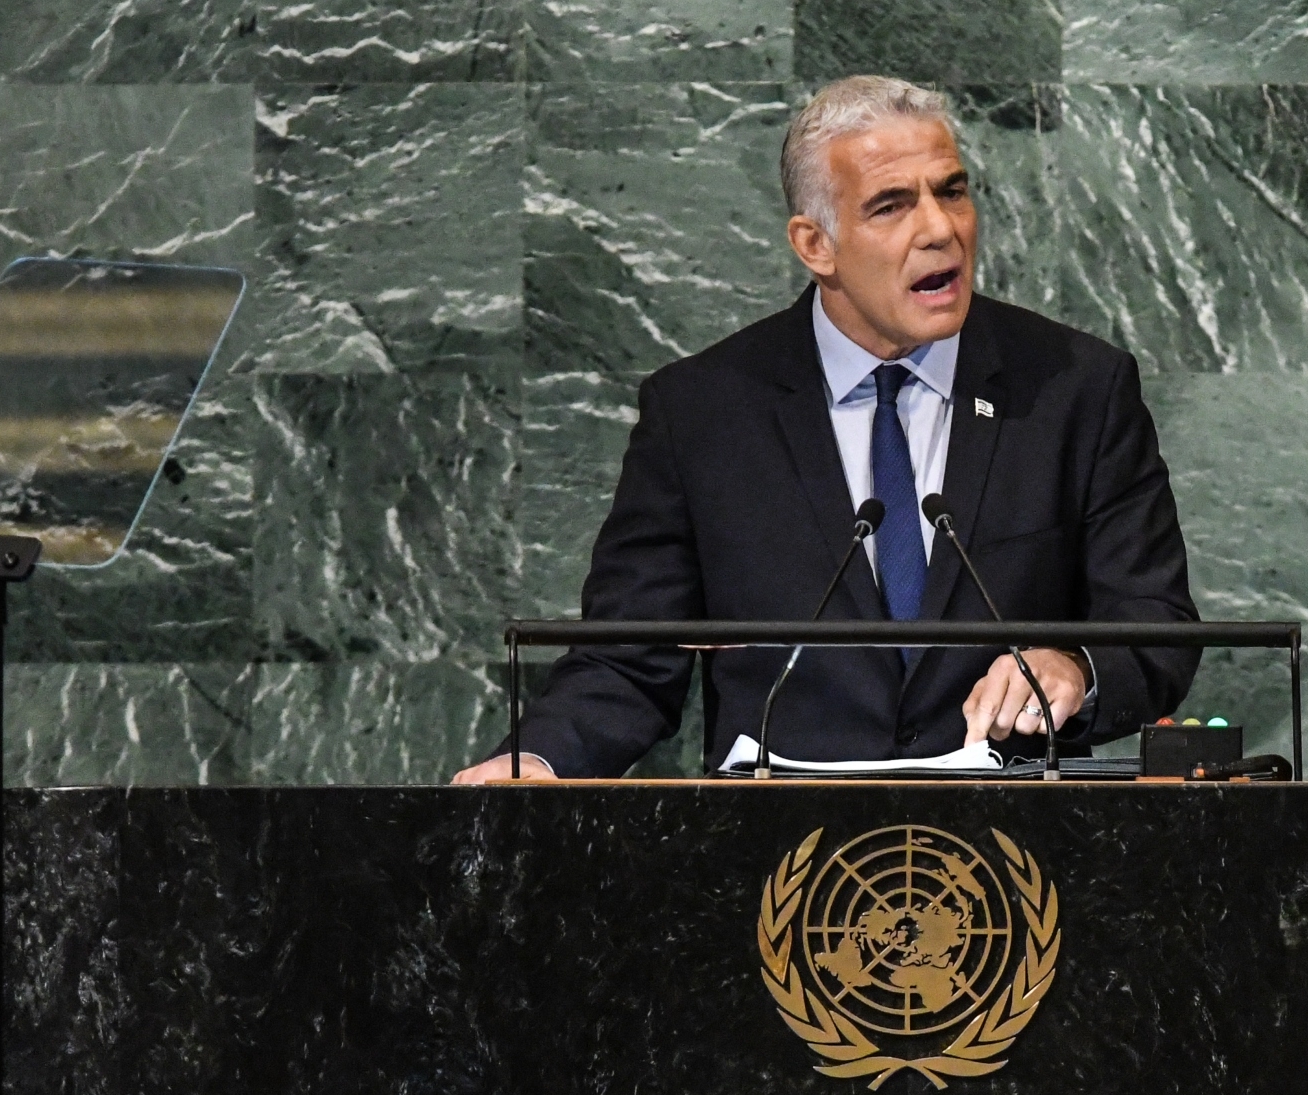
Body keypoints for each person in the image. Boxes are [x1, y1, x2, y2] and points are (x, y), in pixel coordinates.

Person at [452, 75, 1198, 783]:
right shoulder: (702, 413)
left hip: (1014, 857)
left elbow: (1153, 623)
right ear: (815, 245)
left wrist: (1074, 668)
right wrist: (540, 759)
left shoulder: (1076, 388)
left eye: (953, 192)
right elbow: (628, 658)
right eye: (891, 205)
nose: (941, 229)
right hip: (775, 863)